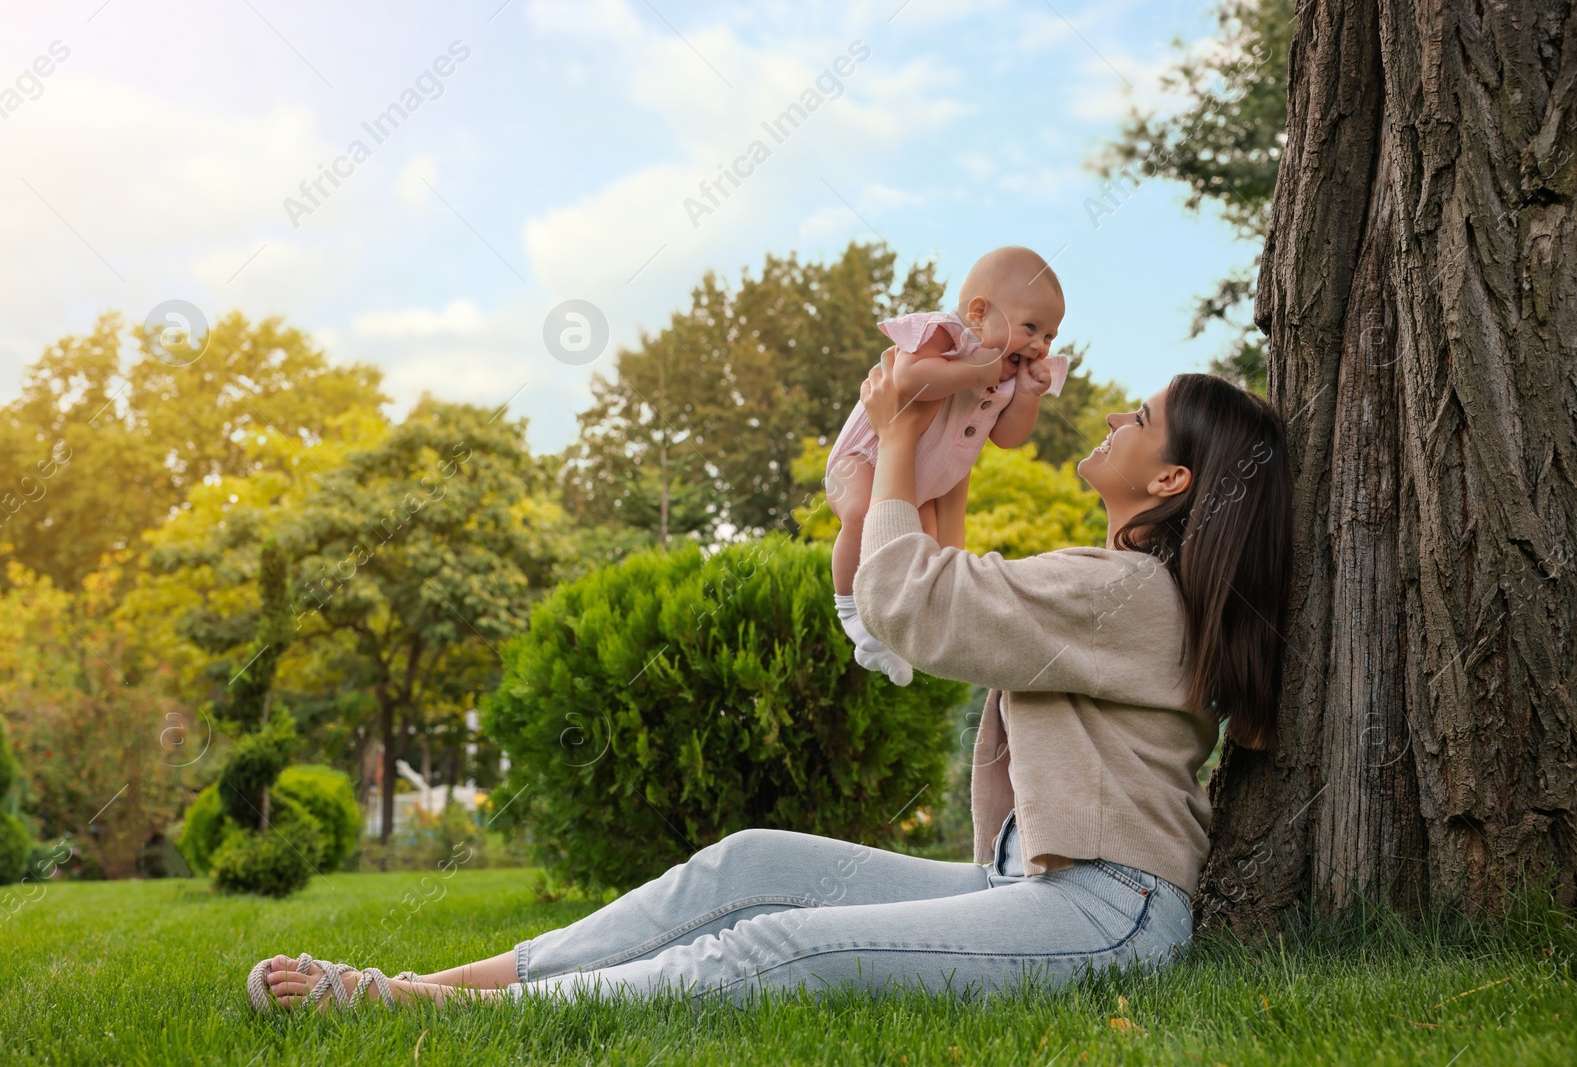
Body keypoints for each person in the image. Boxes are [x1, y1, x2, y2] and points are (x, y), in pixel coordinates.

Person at [249, 352, 1293, 1014]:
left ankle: (446, 1017)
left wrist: (891, 438)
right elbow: (935, 593)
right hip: (1036, 887)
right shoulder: (1115, 586)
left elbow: (907, 597)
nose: (1115, 411)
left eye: (1142, 414)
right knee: (748, 864)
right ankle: (452, 981)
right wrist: (947, 439)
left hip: (1104, 913)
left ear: (1171, 480)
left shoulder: (1124, 591)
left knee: (785, 945)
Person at [827, 245, 1067, 685]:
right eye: (1031, 327)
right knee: (860, 515)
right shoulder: (947, 333)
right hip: (865, 457)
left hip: (920, 483)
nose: (1039, 345)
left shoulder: (1011, 373)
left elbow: (1007, 437)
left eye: (1050, 336)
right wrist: (976, 371)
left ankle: (896, 635)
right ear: (978, 311)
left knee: (922, 556)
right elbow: (908, 379)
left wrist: (1027, 396)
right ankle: (853, 616)